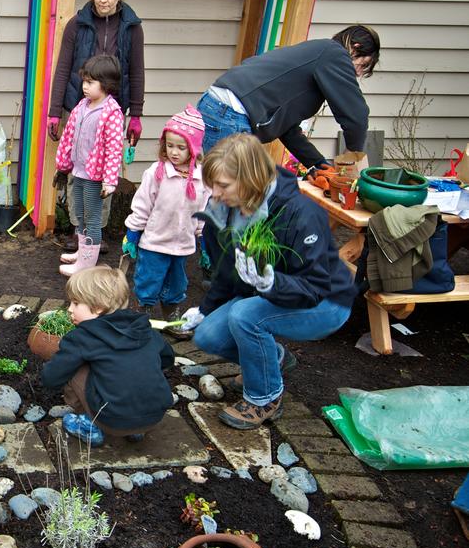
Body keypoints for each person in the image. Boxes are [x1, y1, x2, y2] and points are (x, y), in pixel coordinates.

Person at [178, 134, 356, 429]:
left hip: (326, 302)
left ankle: (264, 398)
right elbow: (224, 271)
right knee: (208, 336)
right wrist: (205, 309)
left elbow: (313, 286)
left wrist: (271, 285)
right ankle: (271, 359)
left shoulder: (300, 214)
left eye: (223, 185)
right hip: (270, 292)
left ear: (251, 179)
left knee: (245, 316)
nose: (215, 194)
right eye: (213, 185)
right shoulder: (223, 209)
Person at [48, 0, 145, 255]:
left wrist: (136, 114)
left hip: (112, 110)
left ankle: (96, 231)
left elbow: (136, 71)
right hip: (78, 107)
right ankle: (79, 231)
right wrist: (55, 110)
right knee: (78, 170)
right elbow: (63, 67)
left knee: (104, 171)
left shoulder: (132, 26)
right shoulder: (77, 23)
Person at [197, 25, 380, 168]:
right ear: (355, 48)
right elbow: (357, 116)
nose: (357, 74)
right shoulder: (335, 54)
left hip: (217, 107)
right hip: (231, 114)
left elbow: (286, 128)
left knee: (219, 193)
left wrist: (317, 164)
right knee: (234, 200)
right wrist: (352, 157)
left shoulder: (319, 56)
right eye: (362, 66)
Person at [41, 266, 173, 446]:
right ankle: (136, 430)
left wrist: (49, 368)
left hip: (112, 420)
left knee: (75, 367)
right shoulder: (144, 330)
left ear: (97, 308)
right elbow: (167, 358)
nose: (69, 309)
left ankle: (90, 425)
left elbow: (52, 377)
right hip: (154, 417)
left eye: (76, 303)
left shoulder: (82, 338)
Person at [122, 105, 211, 324]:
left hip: (182, 244)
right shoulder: (157, 173)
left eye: (181, 147)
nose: (174, 152)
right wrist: (133, 232)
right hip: (155, 240)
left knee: (177, 282)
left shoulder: (202, 178)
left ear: (194, 148)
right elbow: (143, 205)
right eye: (170, 145)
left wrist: (205, 240)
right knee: (148, 279)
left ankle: (171, 313)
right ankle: (143, 313)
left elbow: (203, 210)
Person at [55, 55, 124, 275]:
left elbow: (114, 149)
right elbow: (69, 135)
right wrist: (63, 162)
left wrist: (109, 180)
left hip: (95, 176)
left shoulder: (111, 113)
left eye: (90, 82)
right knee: (81, 213)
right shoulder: (82, 106)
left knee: (92, 217)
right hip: (80, 170)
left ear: (106, 84)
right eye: (84, 81)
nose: (84, 86)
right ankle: (83, 252)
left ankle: (87, 263)